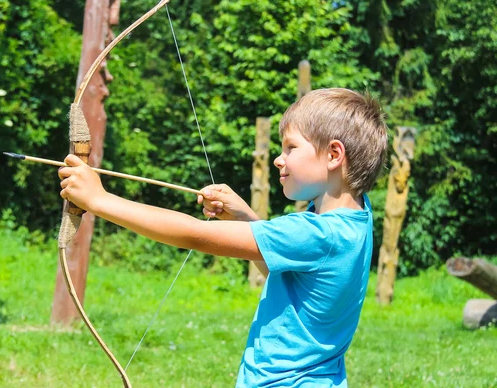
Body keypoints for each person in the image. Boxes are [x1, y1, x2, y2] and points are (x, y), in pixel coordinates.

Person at [59, 88, 388, 387]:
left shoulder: (316, 232)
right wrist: (246, 219)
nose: (279, 158)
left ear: (333, 155)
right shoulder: (354, 218)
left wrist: (99, 201)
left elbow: (197, 235)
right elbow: (290, 279)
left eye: (291, 147)